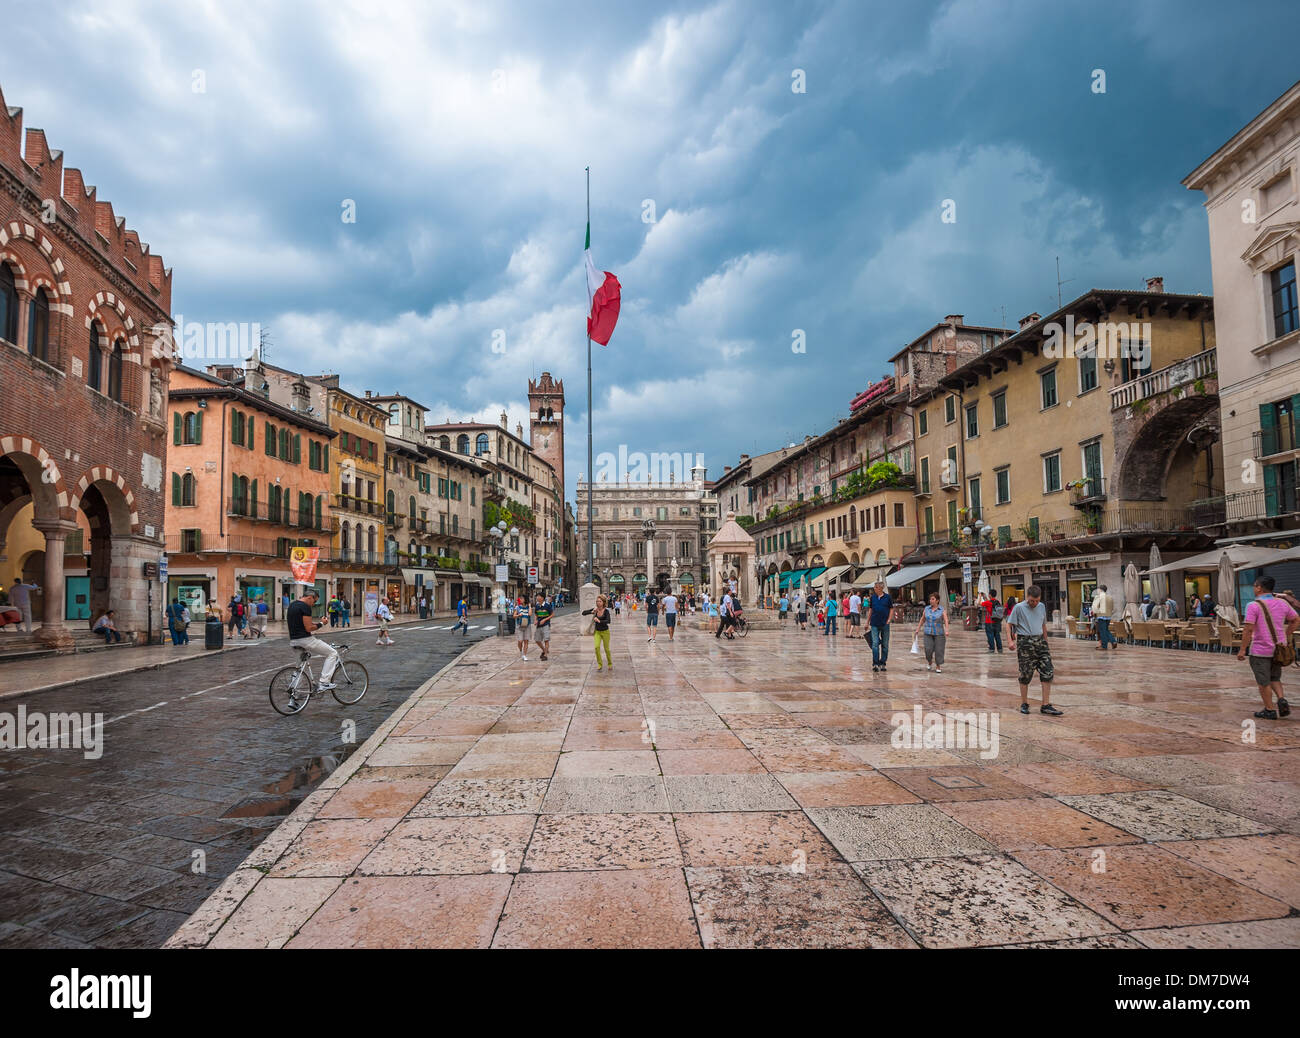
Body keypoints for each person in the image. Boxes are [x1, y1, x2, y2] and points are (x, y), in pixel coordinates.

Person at [1236, 575, 1298, 720]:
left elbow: (1248, 629)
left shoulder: (1253, 606)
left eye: (1254, 586)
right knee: (1275, 677)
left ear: (1258, 587)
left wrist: (1243, 649)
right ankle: (1281, 699)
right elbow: (1295, 620)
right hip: (1279, 649)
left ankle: (1269, 709)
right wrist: (1285, 634)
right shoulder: (1282, 604)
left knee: (1263, 682)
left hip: (1260, 650)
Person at [1008, 585, 1063, 716]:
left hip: (1040, 641)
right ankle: (1024, 703)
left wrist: (1046, 641)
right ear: (1027, 597)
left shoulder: (1042, 607)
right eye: (1032, 601)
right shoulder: (1019, 607)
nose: (1035, 603)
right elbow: (1009, 624)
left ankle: (1045, 704)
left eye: (1037, 600)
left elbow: (1043, 624)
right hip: (1025, 642)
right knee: (1025, 673)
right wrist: (1010, 641)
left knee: (1048, 671)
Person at [287, 588, 341, 689]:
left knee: (299, 668)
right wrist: (321, 624)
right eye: (314, 601)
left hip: (294, 640)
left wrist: (316, 623)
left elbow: (302, 624)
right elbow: (308, 628)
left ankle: (294, 692)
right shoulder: (305, 607)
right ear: (309, 597)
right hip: (305, 640)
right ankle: (324, 682)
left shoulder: (292, 605)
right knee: (332, 653)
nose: (314, 603)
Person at [914, 592, 949, 672]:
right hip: (928, 633)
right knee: (928, 649)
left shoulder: (942, 610)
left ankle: (938, 666)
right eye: (930, 599)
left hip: (939, 633)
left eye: (933, 599)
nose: (931, 601)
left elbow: (946, 620)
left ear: (937, 600)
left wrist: (947, 630)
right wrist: (918, 629)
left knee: (939, 650)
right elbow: (922, 619)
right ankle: (929, 662)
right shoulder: (926, 609)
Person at [867, 581, 893, 671]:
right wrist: (867, 622)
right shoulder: (873, 598)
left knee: (885, 644)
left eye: (876, 587)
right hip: (874, 623)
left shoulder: (888, 597)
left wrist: (889, 619)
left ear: (881, 588)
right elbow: (870, 609)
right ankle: (875, 663)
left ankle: (883, 663)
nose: (874, 588)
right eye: (874, 587)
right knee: (875, 644)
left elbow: (891, 609)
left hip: (885, 624)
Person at [583, 594, 613, 670]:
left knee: (607, 649)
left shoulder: (606, 611)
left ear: (603, 602)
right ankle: (600, 664)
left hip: (605, 632)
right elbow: (583, 613)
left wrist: (599, 621)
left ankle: (610, 663)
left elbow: (608, 621)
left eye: (600, 601)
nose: (598, 603)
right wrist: (591, 612)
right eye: (597, 601)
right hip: (597, 632)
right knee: (596, 647)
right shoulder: (595, 609)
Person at [1091, 584, 1117, 651]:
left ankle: (1104, 646)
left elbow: (1094, 607)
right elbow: (1112, 608)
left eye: (1098, 589)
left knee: (1102, 631)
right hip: (1108, 616)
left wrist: (1096, 613)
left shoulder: (1098, 596)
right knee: (1105, 630)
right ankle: (1113, 641)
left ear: (1100, 589)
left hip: (1101, 616)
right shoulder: (1110, 597)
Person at [515, 595, 532, 659]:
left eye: (522, 598)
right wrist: (518, 615)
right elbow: (514, 615)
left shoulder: (528, 607)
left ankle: (524, 655)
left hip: (527, 625)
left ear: (525, 599)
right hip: (519, 625)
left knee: (526, 640)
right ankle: (521, 650)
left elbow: (530, 614)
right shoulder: (518, 607)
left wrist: (530, 606)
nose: (520, 599)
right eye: (520, 598)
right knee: (520, 641)